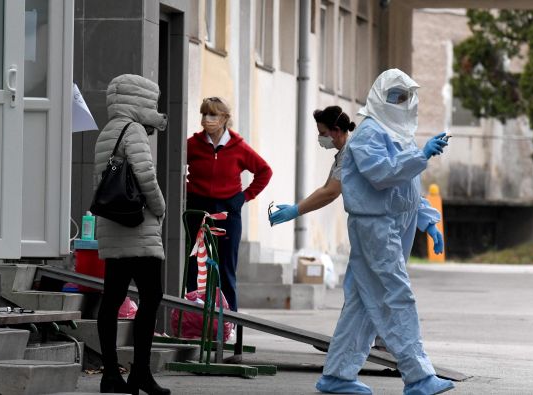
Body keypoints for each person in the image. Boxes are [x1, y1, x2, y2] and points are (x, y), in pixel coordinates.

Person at [315, 69, 454, 395]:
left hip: (392, 224)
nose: (401, 103)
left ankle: (337, 375)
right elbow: (382, 174)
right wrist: (422, 155)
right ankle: (418, 376)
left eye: (404, 97)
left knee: (364, 302)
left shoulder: (398, 133)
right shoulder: (368, 135)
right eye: (395, 96)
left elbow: (407, 187)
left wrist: (428, 220)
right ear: (379, 96)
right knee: (396, 295)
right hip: (375, 225)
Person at [94, 74, 170, 395]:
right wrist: (161, 206)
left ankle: (110, 373)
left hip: (113, 227)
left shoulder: (106, 131)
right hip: (139, 227)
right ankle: (140, 372)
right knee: (151, 297)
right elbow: (146, 175)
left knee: (111, 299)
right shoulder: (134, 129)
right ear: (140, 101)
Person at [185, 97, 273, 312]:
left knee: (225, 268)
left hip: (227, 211)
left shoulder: (238, 147)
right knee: (194, 266)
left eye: (212, 115)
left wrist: (244, 197)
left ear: (224, 118)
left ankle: (228, 322)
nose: (207, 119)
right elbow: (173, 164)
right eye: (204, 114)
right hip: (197, 208)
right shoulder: (192, 144)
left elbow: (265, 171)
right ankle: (193, 319)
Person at [268, 106, 356, 226]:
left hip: (372, 223)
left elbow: (330, 193)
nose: (320, 138)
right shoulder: (342, 153)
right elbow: (325, 188)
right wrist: (297, 207)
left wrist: (295, 211)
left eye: (322, 133)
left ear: (336, 130)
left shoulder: (349, 153)